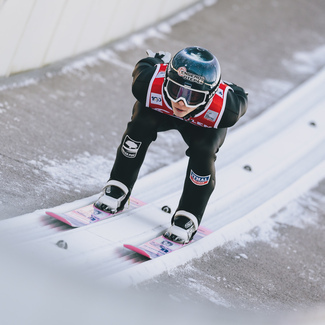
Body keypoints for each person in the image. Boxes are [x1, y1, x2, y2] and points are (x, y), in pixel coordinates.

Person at [95, 46, 248, 244]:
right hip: (159, 112)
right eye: (176, 90)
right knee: (140, 124)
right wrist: (158, 61)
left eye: (193, 96)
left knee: (204, 150)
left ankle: (188, 216)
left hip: (203, 126)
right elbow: (146, 64)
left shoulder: (227, 109)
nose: (181, 102)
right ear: (166, 80)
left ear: (210, 96)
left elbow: (241, 95)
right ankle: (119, 186)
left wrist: (228, 88)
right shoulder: (147, 82)